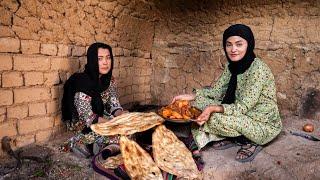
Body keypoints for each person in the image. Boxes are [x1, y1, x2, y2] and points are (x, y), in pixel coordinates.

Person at [172, 24, 282, 163]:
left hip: (259, 122)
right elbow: (217, 92)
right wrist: (191, 96)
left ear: (249, 45)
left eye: (239, 44)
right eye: (229, 45)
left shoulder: (258, 69)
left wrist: (212, 108)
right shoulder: (231, 67)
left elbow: (242, 107)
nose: (233, 49)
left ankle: (250, 141)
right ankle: (232, 136)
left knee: (212, 117)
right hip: (240, 113)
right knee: (197, 105)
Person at [61, 42, 127, 156]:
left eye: (108, 58)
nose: (105, 62)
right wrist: (113, 124)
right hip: (83, 124)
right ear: (92, 60)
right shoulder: (82, 82)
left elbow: (113, 103)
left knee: (130, 131)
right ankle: (78, 143)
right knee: (118, 135)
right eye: (100, 59)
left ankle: (100, 146)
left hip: (101, 117)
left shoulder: (109, 80)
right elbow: (87, 117)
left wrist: (121, 115)